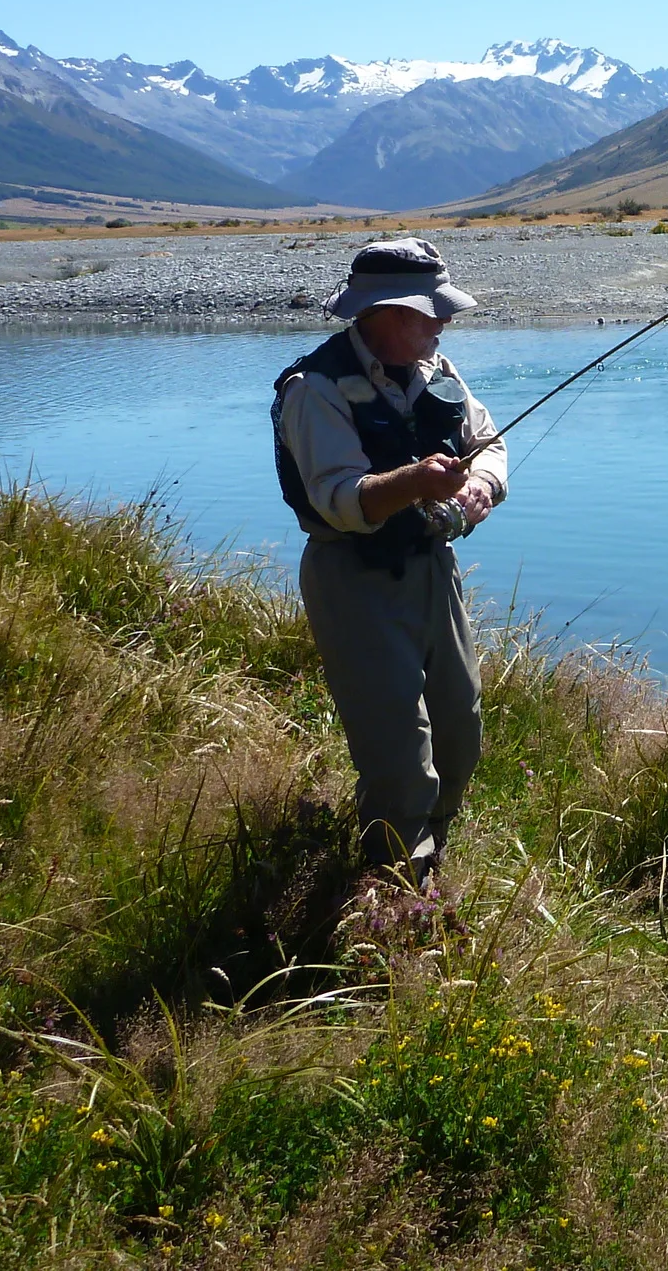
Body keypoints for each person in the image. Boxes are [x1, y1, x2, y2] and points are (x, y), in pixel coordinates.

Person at [271, 238, 507, 873]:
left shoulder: (437, 371)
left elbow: (487, 442)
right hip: (354, 579)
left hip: (433, 569)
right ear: (390, 314)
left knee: (461, 730)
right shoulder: (314, 389)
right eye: (433, 313)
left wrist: (478, 487)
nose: (445, 323)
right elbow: (341, 500)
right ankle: (396, 887)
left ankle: (430, 851)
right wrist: (416, 482)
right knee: (399, 753)